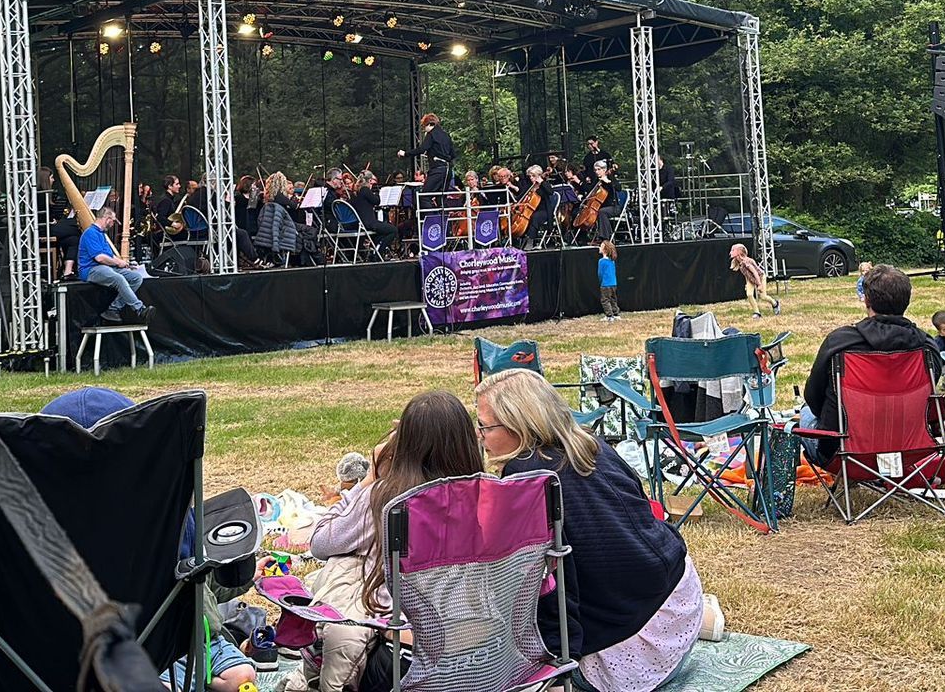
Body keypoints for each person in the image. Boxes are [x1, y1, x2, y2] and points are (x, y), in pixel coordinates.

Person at [476, 370, 707, 692]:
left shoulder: (525, 478)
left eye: (484, 425)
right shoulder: (591, 445)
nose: (480, 435)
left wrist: (555, 666)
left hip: (631, 655)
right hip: (680, 606)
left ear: (518, 425)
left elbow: (549, 584)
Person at [40, 388, 257, 692]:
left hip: (40, 654)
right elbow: (191, 574)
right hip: (155, 646)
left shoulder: (19, 520)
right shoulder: (166, 514)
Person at [290, 391, 484, 692]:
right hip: (482, 655)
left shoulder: (385, 497)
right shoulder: (490, 497)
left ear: (403, 445)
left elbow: (321, 543)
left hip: (403, 660)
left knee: (346, 563)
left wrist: (368, 482)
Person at [799, 264, 939, 468]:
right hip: (912, 452)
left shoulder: (840, 342)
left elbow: (813, 398)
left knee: (804, 413)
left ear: (866, 299)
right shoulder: (927, 347)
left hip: (844, 454)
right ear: (907, 300)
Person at [78, 204, 149, 320]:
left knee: (136, 278)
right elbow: (100, 258)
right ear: (107, 219)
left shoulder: (101, 234)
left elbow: (110, 256)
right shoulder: (90, 233)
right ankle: (140, 308)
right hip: (91, 269)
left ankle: (113, 308)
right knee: (118, 278)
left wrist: (124, 263)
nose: (112, 225)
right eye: (113, 222)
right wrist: (118, 263)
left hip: (104, 267)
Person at [400, 112, 456, 206]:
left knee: (424, 197)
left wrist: (405, 153)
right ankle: (445, 220)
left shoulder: (431, 134)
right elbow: (453, 154)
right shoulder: (446, 135)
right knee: (441, 199)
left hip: (437, 170)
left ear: (430, 124)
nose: (424, 129)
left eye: (424, 126)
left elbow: (422, 149)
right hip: (447, 170)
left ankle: (431, 220)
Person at [727, 243, 779, 317]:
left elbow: (755, 273)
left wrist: (759, 285)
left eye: (733, 250)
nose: (730, 252)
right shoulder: (739, 262)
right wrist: (747, 283)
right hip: (751, 279)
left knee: (763, 296)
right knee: (749, 294)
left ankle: (775, 303)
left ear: (739, 252)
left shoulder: (746, 262)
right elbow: (747, 274)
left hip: (760, 278)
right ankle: (757, 312)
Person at [597, 240, 620, 321]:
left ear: (605, 250)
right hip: (614, 283)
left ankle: (609, 316)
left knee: (605, 300)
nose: (599, 247)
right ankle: (616, 314)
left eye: (601, 246)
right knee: (613, 299)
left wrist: (601, 282)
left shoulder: (601, 261)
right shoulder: (612, 261)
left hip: (605, 284)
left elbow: (600, 274)